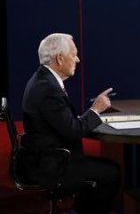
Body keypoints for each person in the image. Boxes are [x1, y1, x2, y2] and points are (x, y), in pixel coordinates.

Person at [20, 33, 121, 214]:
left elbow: (64, 123)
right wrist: (96, 109)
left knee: (105, 170)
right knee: (111, 173)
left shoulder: (43, 80)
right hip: (50, 164)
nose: (78, 59)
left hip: (46, 156)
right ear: (60, 58)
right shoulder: (47, 88)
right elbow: (73, 131)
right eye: (74, 54)